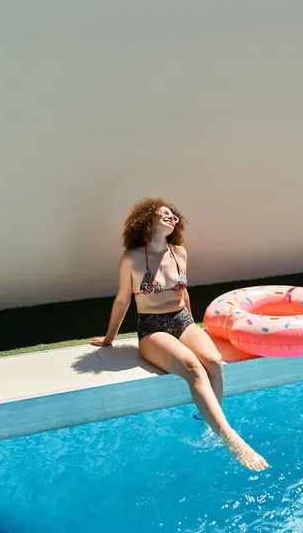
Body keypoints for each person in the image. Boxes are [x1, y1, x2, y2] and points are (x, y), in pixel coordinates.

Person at [91, 198, 268, 471]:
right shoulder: (132, 259)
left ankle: (209, 423)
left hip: (182, 321)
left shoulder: (180, 253)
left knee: (213, 361)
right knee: (193, 368)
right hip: (152, 328)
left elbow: (183, 293)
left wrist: (194, 328)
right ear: (147, 220)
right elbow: (123, 301)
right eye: (164, 213)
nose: (171, 217)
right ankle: (230, 438)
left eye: (174, 216)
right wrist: (110, 338)